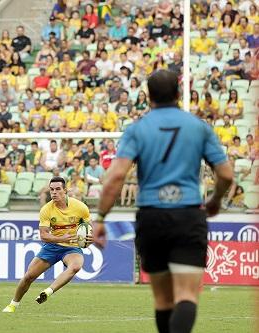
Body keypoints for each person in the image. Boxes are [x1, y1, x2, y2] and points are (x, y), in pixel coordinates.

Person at [93, 70, 233, 333]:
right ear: (179, 94)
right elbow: (225, 174)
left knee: (162, 300)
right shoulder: (199, 127)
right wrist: (215, 200)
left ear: (147, 96)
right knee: (187, 296)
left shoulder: (137, 129)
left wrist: (100, 218)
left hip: (151, 217)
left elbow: (116, 177)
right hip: (188, 215)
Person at [2, 176, 93, 313]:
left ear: (65, 190)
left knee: (76, 266)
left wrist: (89, 239)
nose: (54, 193)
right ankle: (13, 304)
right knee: (29, 276)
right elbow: (44, 236)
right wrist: (62, 237)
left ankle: (48, 291)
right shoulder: (46, 209)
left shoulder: (80, 207)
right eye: (51, 190)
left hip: (72, 247)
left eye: (57, 189)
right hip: (52, 247)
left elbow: (89, 229)